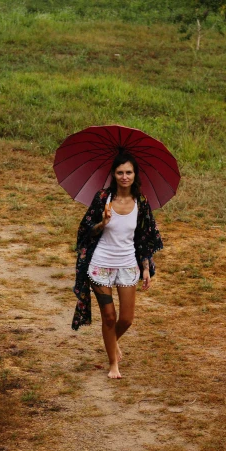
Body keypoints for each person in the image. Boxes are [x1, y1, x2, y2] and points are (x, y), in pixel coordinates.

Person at [71, 152, 164, 379]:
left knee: (126, 319)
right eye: (120, 172)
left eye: (128, 172)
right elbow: (85, 231)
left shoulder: (141, 203)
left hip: (127, 264)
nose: (124, 177)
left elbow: (144, 238)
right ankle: (113, 364)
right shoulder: (103, 197)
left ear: (135, 175)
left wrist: (145, 268)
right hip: (100, 263)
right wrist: (103, 222)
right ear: (113, 174)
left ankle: (112, 343)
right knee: (110, 317)